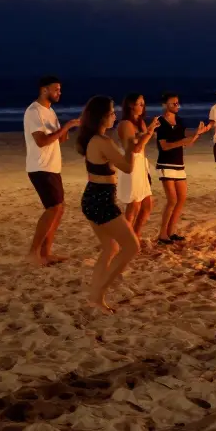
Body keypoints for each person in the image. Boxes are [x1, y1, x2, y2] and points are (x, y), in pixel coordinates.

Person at [75, 95, 144, 313]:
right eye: (112, 113)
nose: (115, 116)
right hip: (101, 200)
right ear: (103, 116)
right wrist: (131, 147)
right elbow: (126, 167)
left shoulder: (94, 139)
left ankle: (95, 295)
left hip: (94, 197)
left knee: (110, 247)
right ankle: (98, 294)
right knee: (132, 246)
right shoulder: (101, 142)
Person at [24, 75, 80, 267]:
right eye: (55, 89)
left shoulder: (50, 112)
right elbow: (41, 141)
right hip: (39, 166)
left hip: (52, 166)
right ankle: (33, 253)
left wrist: (68, 130)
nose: (59, 93)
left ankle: (46, 253)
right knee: (53, 208)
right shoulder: (34, 111)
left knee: (60, 208)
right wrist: (67, 126)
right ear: (44, 90)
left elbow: (59, 139)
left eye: (60, 89)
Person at [154, 92, 211, 244]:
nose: (176, 106)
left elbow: (188, 141)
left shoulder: (179, 121)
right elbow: (164, 146)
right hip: (165, 164)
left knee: (181, 199)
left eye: (177, 103)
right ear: (165, 105)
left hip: (179, 164)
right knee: (172, 200)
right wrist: (183, 141)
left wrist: (197, 134)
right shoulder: (160, 122)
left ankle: (171, 231)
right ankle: (162, 234)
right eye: (173, 103)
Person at [115, 93, 157, 236]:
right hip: (131, 165)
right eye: (140, 103)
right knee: (133, 205)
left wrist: (148, 131)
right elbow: (135, 148)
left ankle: (135, 236)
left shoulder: (140, 122)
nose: (142, 107)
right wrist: (149, 133)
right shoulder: (125, 124)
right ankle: (127, 239)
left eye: (143, 104)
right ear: (130, 105)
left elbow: (142, 142)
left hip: (141, 165)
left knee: (147, 206)